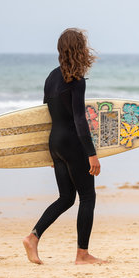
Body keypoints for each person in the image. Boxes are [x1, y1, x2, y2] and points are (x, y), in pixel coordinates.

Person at [23, 28, 105, 265]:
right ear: (80, 50)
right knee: (87, 197)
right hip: (72, 144)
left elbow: (44, 115)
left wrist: (51, 153)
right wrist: (92, 154)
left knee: (67, 197)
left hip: (55, 143)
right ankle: (82, 255)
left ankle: (33, 237)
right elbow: (80, 119)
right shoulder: (76, 81)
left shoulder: (51, 77)